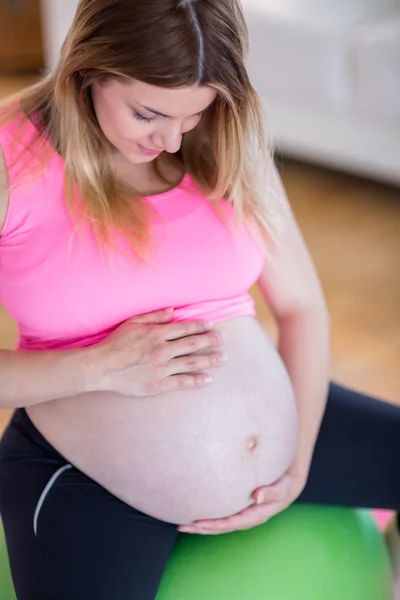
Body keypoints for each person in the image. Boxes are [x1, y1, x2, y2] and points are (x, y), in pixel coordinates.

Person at [0, 1, 399, 599]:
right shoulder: (12, 158)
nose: (169, 139)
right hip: (80, 468)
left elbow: (301, 309)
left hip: (290, 422)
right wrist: (102, 365)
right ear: (89, 69)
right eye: (148, 113)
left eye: (193, 115)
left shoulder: (221, 137)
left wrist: (296, 460)